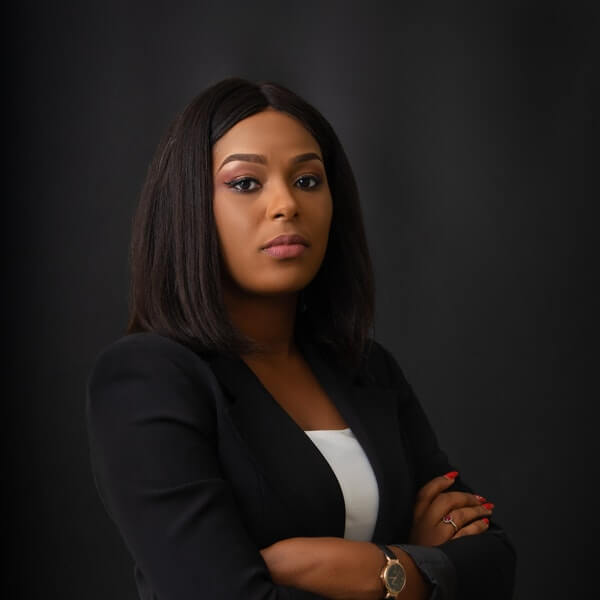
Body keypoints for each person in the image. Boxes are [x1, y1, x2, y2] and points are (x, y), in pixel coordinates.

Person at [86, 77, 516, 599]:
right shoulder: (148, 379)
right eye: (246, 183)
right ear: (189, 206)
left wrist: (382, 570)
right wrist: (421, 567)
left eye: (308, 180)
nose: (286, 204)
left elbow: (494, 562)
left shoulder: (365, 368)